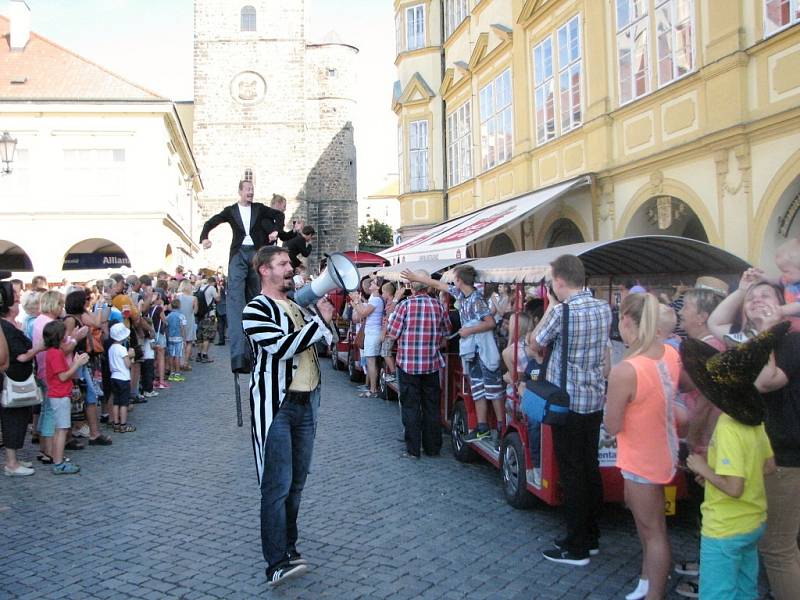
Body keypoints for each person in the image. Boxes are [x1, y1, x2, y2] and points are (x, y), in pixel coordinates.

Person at [242, 245, 333, 587]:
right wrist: (319, 323)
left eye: (288, 264)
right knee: (276, 487)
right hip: (276, 406)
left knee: (296, 486)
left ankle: (290, 549)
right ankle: (275, 563)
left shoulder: (297, 305)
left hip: (306, 403)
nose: (289, 268)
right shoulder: (255, 309)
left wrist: (326, 321)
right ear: (264, 270)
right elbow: (282, 347)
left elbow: (327, 341)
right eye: (282, 264)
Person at [709, 271, 800, 599]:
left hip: (785, 455)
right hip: (760, 454)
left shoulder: (791, 340)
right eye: (752, 299)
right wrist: (742, 290)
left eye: (766, 296)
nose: (757, 300)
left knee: (778, 547)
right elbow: (715, 324)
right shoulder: (746, 337)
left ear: (781, 306)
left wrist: (765, 332)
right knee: (770, 542)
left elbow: (765, 381)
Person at [527, 254, 612, 566]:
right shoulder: (604, 308)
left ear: (559, 281)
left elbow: (536, 342)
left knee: (572, 474)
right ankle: (591, 536)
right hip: (594, 399)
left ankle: (576, 546)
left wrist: (549, 305)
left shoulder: (561, 311)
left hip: (567, 402)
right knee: (590, 468)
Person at [605, 293, 684, 599]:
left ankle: (655, 592)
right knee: (653, 528)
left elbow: (612, 425)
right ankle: (646, 580)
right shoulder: (669, 353)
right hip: (663, 449)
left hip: (641, 457)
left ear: (627, 321)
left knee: (653, 534)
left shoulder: (627, 369)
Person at [682, 345, 775, 600]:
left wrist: (703, 469)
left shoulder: (728, 427)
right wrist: (714, 474)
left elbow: (735, 488)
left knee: (717, 593)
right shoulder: (753, 421)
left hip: (725, 527)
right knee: (746, 590)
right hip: (753, 521)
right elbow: (768, 466)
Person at [403, 265, 504, 445]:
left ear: (459, 280)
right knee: (478, 388)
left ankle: (501, 428)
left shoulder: (476, 299)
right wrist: (416, 278)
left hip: (483, 350)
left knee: (493, 389)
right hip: (472, 351)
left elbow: (489, 323)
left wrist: (469, 330)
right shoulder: (461, 295)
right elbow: (439, 285)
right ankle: (482, 427)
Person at [200, 179, 288, 373]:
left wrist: (276, 230)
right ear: (240, 191)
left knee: (257, 297)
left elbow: (278, 215)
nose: (251, 192)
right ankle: (239, 355)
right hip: (239, 253)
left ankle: (260, 348)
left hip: (256, 254)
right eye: (247, 189)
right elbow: (211, 222)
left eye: (252, 189)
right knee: (235, 300)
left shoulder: (259, 208)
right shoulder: (231, 210)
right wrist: (205, 237)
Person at [386, 270, 450, 459]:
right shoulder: (438, 306)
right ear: (428, 286)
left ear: (412, 287)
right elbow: (447, 330)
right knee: (431, 406)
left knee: (411, 406)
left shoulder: (405, 306)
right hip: (431, 363)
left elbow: (392, 332)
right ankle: (433, 448)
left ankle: (413, 449)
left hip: (408, 364)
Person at [41, 320, 89, 474]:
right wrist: (77, 364)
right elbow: (62, 377)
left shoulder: (53, 352)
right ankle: (59, 462)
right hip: (60, 394)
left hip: (57, 393)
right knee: (62, 429)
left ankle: (56, 458)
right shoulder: (55, 354)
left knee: (58, 429)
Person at [1, 286, 38, 476]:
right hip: (12, 379)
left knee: (19, 418)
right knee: (12, 419)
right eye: (15, 300)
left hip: (17, 378)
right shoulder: (5, 327)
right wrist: (38, 348)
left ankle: (13, 458)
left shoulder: (11, 325)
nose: (18, 302)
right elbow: (20, 355)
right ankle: (11, 462)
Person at [350, 279, 383, 397]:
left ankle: (373, 389)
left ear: (378, 287)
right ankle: (372, 387)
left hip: (373, 333)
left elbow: (363, 313)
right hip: (371, 332)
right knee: (370, 361)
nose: (371, 284)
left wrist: (356, 302)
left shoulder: (376, 299)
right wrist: (356, 303)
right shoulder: (374, 299)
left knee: (371, 360)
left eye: (373, 283)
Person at [107, 323, 136, 433]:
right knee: (123, 403)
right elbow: (127, 364)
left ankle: (116, 423)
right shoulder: (122, 349)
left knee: (116, 402)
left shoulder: (111, 349)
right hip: (123, 378)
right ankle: (123, 424)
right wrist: (131, 357)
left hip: (114, 377)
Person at [195, 276, 220, 363]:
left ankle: (198, 354)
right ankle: (205, 355)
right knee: (207, 336)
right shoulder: (212, 288)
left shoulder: (200, 288)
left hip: (200, 315)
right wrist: (219, 290)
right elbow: (217, 299)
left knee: (200, 336)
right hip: (209, 315)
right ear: (213, 282)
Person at [176, 281, 197, 371]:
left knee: (181, 342)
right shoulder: (194, 298)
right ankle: (186, 362)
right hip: (189, 320)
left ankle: (180, 362)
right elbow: (195, 311)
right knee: (189, 342)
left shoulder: (177, 297)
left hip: (179, 320)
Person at [166, 299, 187, 383]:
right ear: (179, 306)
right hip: (178, 338)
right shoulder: (181, 316)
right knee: (178, 355)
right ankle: (177, 373)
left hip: (170, 337)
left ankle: (172, 373)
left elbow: (166, 326)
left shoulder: (169, 316)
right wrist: (184, 339)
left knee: (171, 355)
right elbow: (183, 328)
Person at [215, 276, 227, 346]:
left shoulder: (223, 289)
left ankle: (222, 340)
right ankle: (221, 340)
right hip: (221, 309)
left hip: (224, 309)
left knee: (222, 325)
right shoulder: (218, 288)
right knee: (220, 326)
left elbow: (218, 298)